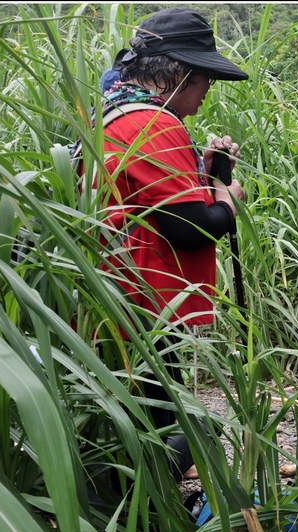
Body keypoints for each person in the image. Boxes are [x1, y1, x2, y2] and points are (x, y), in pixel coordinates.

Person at [90, 7, 248, 478]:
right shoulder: (152, 124)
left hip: (115, 302)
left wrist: (206, 169)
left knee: (141, 417)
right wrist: (229, 197)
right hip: (140, 308)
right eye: (205, 84)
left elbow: (153, 203)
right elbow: (192, 226)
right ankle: (147, 527)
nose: (204, 99)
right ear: (180, 75)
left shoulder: (115, 111)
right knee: (158, 425)